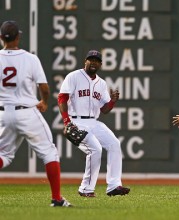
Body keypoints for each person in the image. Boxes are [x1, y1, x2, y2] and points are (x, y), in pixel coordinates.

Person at [0, 20, 72, 207]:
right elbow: (44, 87)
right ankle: (57, 198)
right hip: (26, 112)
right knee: (49, 153)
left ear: (1, 38)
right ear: (18, 37)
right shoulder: (30, 59)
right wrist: (44, 102)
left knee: (4, 156)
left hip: (3, 114)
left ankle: (57, 199)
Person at [58, 50, 130, 197]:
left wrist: (113, 102)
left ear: (100, 64)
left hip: (93, 121)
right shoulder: (74, 76)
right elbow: (62, 98)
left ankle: (114, 186)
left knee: (114, 144)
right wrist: (67, 121)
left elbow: (104, 109)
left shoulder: (101, 83)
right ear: (85, 61)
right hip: (76, 120)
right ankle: (85, 189)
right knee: (95, 149)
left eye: (97, 60)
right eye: (91, 59)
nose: (93, 62)